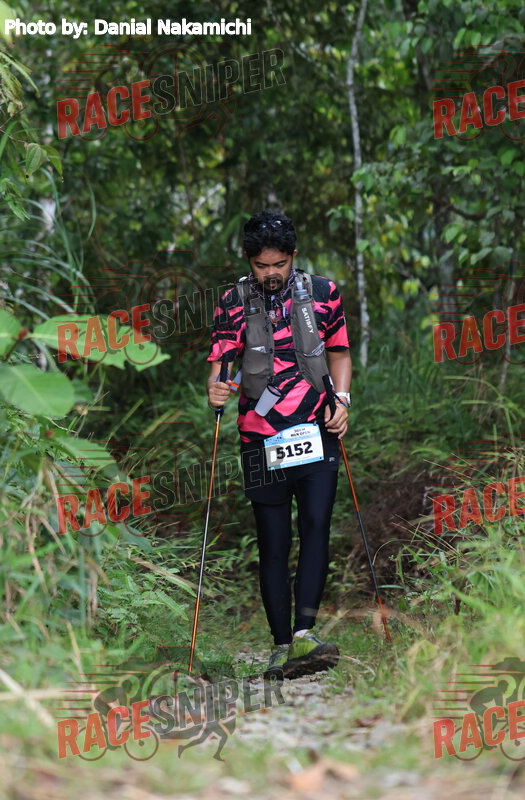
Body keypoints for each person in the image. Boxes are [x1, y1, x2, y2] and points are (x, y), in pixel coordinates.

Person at [206, 209, 351, 680]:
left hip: (317, 427)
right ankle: (281, 644)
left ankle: (305, 634)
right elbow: (222, 363)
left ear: (294, 256)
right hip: (259, 434)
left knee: (316, 525)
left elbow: (339, 351)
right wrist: (216, 389)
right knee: (273, 541)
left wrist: (342, 400)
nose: (270, 273)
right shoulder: (232, 300)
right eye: (260, 265)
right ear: (249, 261)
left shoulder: (324, 292)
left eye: (279, 264)